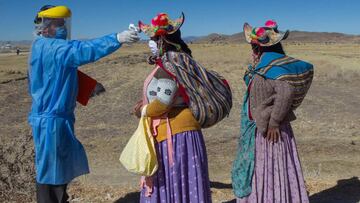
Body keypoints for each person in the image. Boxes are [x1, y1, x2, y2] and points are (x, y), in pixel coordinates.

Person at [28, 5, 139, 203]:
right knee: (50, 173)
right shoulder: (51, 47)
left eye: (64, 23)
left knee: (57, 170)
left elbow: (60, 74)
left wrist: (89, 86)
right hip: (51, 121)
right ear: (45, 26)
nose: (62, 28)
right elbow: (83, 50)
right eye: (58, 24)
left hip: (54, 119)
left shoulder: (44, 47)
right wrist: (117, 38)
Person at [231, 20, 313, 203]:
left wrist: (274, 121)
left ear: (260, 48)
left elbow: (286, 91)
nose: (252, 51)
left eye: (254, 47)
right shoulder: (263, 67)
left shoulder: (273, 69)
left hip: (271, 132)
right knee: (263, 169)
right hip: (262, 129)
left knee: (270, 167)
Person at [134, 13, 212, 203]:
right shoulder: (178, 60)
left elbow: (163, 103)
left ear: (162, 40)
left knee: (174, 179)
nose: (150, 42)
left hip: (177, 135)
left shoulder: (172, 64)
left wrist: (142, 111)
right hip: (182, 132)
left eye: (153, 39)